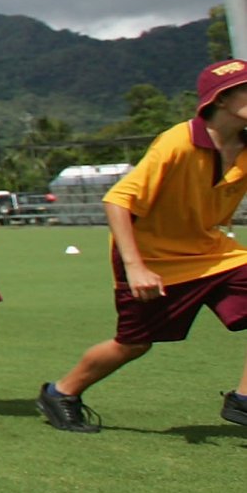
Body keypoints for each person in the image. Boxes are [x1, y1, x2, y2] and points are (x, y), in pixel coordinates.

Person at [39, 60, 247, 434]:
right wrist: (135, 267)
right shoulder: (178, 142)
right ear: (221, 99)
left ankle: (243, 401)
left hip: (210, 252)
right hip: (149, 257)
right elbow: (117, 200)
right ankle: (61, 392)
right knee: (133, 344)